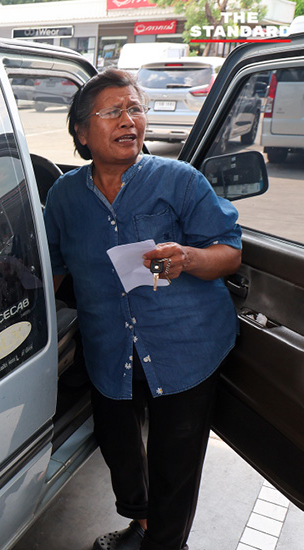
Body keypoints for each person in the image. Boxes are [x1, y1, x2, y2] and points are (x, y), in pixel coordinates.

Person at [43, 69, 241, 550]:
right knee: (120, 449)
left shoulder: (178, 180)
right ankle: (143, 524)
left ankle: (167, 544)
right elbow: (53, 269)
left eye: (135, 109)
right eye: (112, 111)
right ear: (81, 131)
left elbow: (229, 252)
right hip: (110, 348)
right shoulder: (64, 197)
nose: (128, 120)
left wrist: (189, 257)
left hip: (185, 346)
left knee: (176, 462)